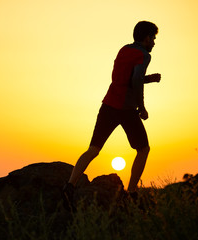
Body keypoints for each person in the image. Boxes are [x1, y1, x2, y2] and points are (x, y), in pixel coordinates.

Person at [62, 21, 161, 210]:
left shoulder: (124, 49)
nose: (154, 42)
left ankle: (69, 186)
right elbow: (136, 81)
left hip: (108, 106)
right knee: (143, 149)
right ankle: (131, 193)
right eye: (153, 38)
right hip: (127, 110)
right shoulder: (144, 55)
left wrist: (149, 79)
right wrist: (142, 107)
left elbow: (124, 79)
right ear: (147, 38)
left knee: (93, 149)